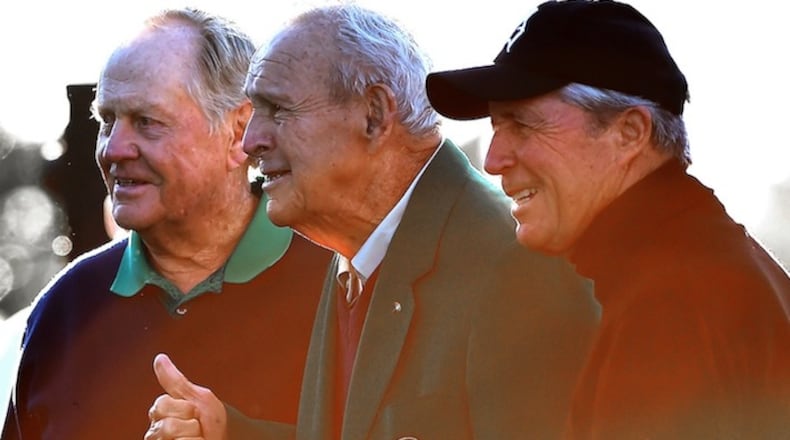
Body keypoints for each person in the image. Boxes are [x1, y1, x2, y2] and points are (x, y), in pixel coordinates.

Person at [145, 4, 600, 440]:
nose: (250, 142)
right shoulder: (358, 246)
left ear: (374, 115)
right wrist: (230, 433)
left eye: (278, 110)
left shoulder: (515, 265)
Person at [425, 0, 790, 438]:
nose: (494, 160)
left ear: (630, 132)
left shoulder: (670, 308)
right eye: (496, 127)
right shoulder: (704, 261)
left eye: (522, 125)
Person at [2, 8, 332, 439]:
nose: (113, 149)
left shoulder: (340, 286)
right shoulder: (62, 309)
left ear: (239, 132)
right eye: (106, 121)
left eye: (146, 122)